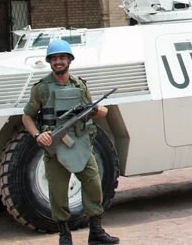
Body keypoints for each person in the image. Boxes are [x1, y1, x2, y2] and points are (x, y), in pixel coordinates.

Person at [21, 41, 119, 245]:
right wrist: (39, 135)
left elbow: (87, 112)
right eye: (54, 58)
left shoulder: (80, 85)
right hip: (55, 148)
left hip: (81, 144)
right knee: (58, 192)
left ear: (70, 60)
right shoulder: (42, 88)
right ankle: (64, 235)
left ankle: (96, 231)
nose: (58, 62)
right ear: (49, 61)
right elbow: (27, 117)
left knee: (93, 185)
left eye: (62, 58)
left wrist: (98, 112)